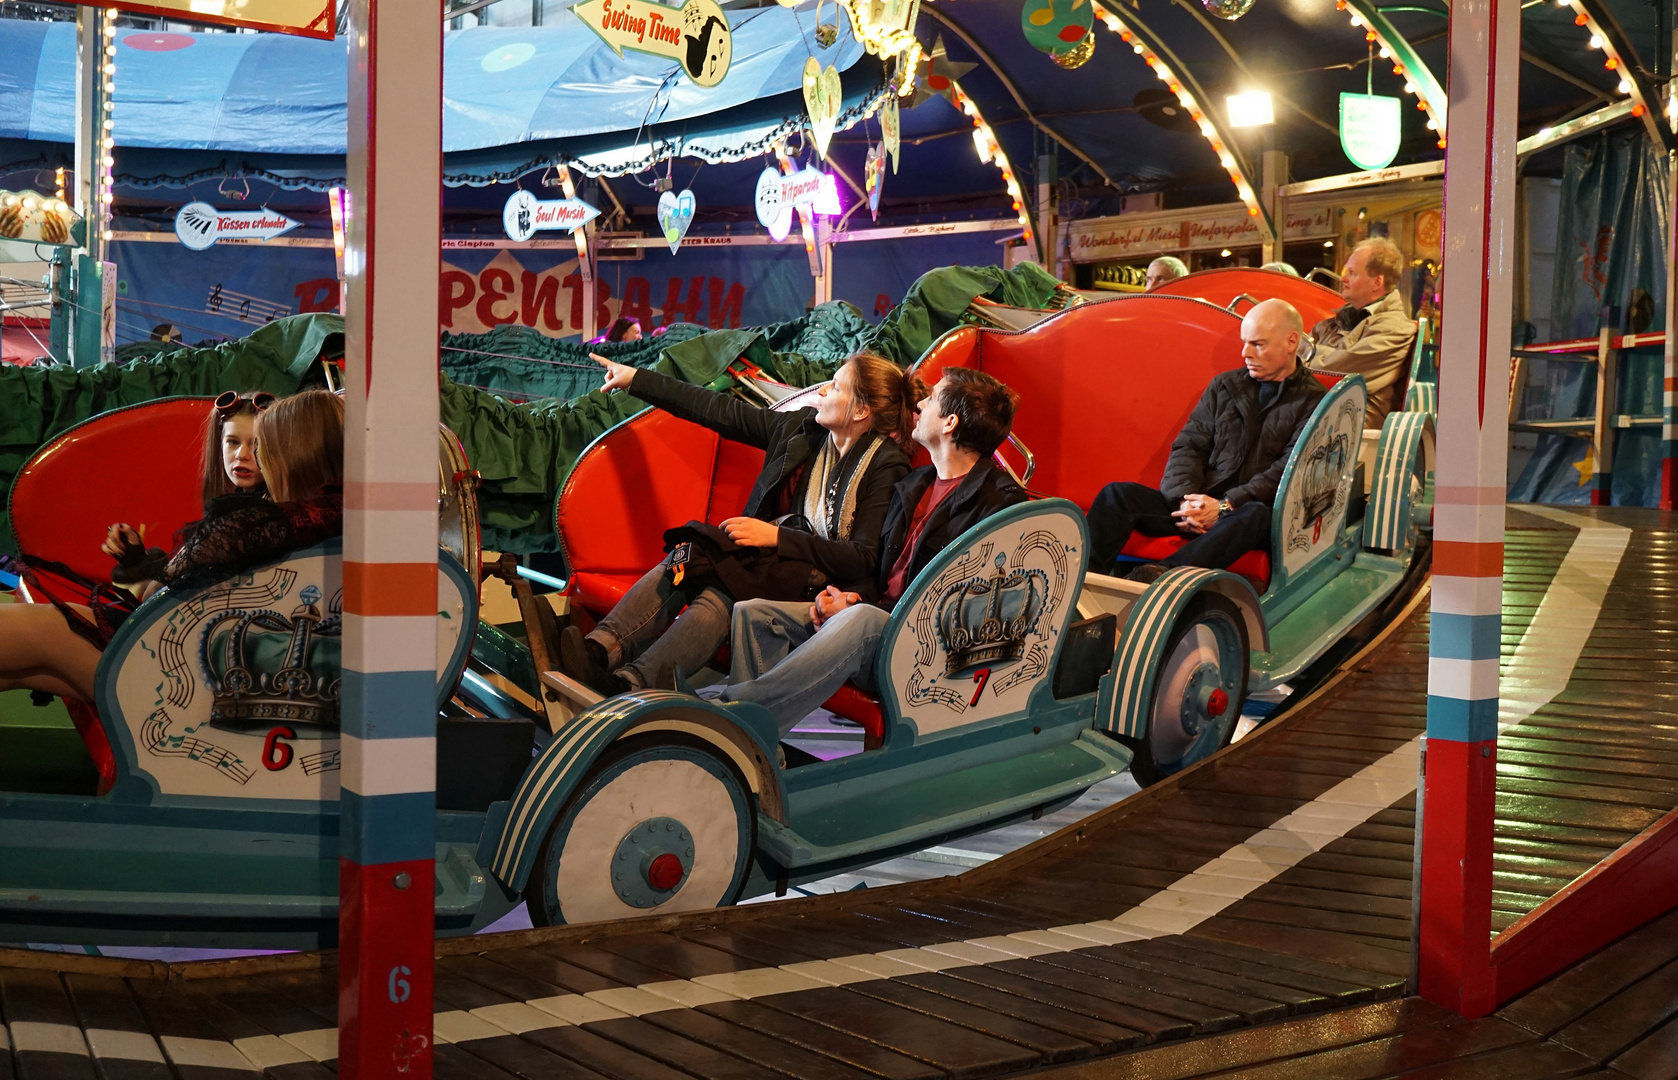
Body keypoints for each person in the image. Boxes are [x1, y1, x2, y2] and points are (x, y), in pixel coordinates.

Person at [559, 352, 917, 694]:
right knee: (693, 553)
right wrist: (636, 379)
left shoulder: (887, 464)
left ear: (861, 410)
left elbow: (862, 558)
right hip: (768, 567)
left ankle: (632, 684)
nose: (822, 391)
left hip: (824, 587)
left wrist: (776, 537)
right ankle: (599, 652)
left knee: (723, 590)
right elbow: (720, 411)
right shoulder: (800, 430)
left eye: (836, 386)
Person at [719, 367, 1027, 736]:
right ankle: (756, 749)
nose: (920, 404)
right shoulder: (915, 484)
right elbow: (882, 573)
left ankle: (732, 718)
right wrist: (852, 597)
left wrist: (863, 610)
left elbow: (966, 603)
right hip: (883, 624)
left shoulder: (999, 502)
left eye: (931, 399)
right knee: (753, 613)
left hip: (928, 647)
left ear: (949, 423)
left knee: (862, 621)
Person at [0, 389, 343, 704]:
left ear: (296, 456)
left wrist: (150, 568)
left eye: (262, 448)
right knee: (23, 666)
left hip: (182, 680)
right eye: (233, 443)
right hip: (186, 658)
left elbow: (157, 593)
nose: (253, 459)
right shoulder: (324, 514)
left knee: (40, 627)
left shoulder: (270, 522)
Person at [1087, 298, 1326, 579]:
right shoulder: (1225, 385)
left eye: (1258, 344)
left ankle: (1161, 578)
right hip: (1200, 501)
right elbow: (1189, 446)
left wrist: (1226, 506)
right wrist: (1185, 501)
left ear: (1291, 342)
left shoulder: (1316, 401)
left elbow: (1287, 472)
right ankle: (1084, 580)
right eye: (1245, 342)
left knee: (1256, 515)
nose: (1246, 353)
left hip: (1248, 514)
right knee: (1117, 494)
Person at [1309, 237, 1416, 428]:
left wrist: (1298, 350)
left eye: (1352, 273)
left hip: (1348, 429)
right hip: (1323, 417)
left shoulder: (1396, 329)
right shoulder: (1339, 320)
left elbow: (1329, 374)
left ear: (1376, 282)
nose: (1342, 279)